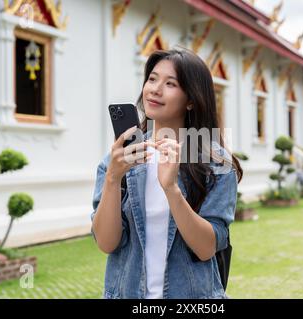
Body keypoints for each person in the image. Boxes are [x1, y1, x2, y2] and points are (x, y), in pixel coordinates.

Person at [91, 48, 243, 299]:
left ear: (191, 99)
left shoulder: (216, 164)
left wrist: (171, 189)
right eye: (152, 79)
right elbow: (106, 243)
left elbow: (207, 249)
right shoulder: (118, 160)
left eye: (170, 83)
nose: (155, 89)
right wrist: (113, 178)